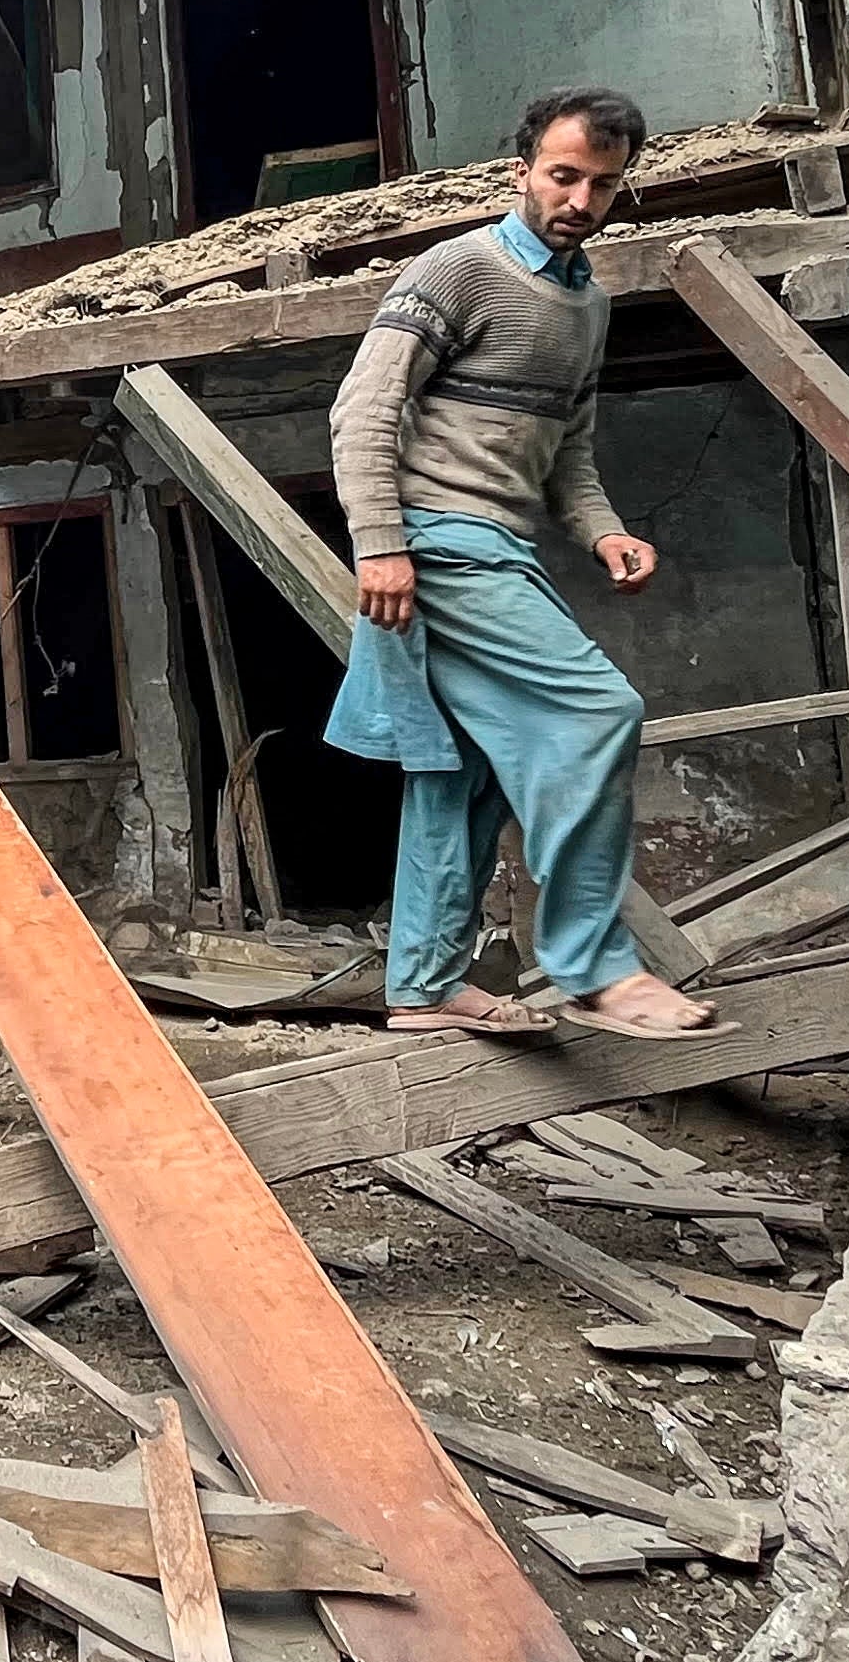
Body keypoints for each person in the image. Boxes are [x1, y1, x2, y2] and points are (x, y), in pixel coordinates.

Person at [321, 86, 734, 1042]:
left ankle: (423, 983)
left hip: (502, 544)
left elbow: (569, 454)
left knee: (459, 770)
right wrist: (380, 542)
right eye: (562, 174)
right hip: (438, 541)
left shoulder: (586, 306)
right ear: (521, 171)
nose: (579, 198)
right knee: (598, 710)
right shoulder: (455, 270)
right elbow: (363, 410)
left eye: (602, 183)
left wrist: (603, 531)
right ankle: (592, 966)